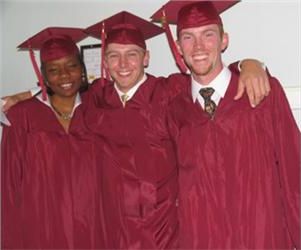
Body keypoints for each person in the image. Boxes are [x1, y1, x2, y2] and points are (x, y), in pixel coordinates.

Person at [83, 9, 272, 249]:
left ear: (146, 58)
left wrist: (249, 64)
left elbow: (209, 76)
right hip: (114, 228)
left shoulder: (169, 91)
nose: (122, 64)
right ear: (105, 61)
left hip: (165, 229)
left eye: (132, 54)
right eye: (113, 56)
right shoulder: (93, 102)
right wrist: (26, 97)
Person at [152, 1, 300, 249]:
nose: (198, 46)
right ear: (178, 48)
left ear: (224, 41)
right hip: (203, 239)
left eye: (208, 35)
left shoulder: (263, 93)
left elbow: (294, 172)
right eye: (188, 38)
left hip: (262, 235)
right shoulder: (173, 109)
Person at [1, 27, 104, 249]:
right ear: (43, 76)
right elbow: (10, 185)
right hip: (42, 228)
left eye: (72, 66)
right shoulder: (22, 116)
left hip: (92, 226)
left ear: (82, 69)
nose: (65, 75)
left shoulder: (97, 110)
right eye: (54, 70)